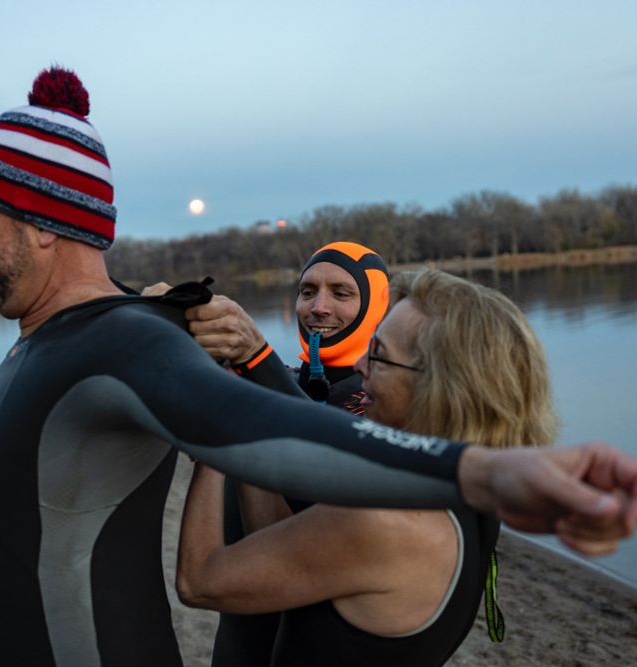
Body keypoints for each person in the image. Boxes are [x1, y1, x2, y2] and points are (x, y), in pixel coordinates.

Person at [0, 65, 637, 667]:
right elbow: (281, 459)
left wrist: (485, 470)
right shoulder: (93, 331)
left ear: (40, 222)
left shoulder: (123, 343)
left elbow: (257, 435)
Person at [177, 269, 559, 665]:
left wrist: (214, 433)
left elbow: (201, 580)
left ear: (441, 388)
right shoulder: (459, 493)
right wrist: (245, 409)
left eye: (378, 354)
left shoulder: (386, 520)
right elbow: (280, 542)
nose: (360, 365)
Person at [178, 241, 391, 666]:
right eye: (307, 291)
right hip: (238, 641)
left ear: (377, 307)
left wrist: (255, 363)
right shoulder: (274, 379)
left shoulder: (387, 403)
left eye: (341, 293)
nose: (318, 307)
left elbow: (306, 490)